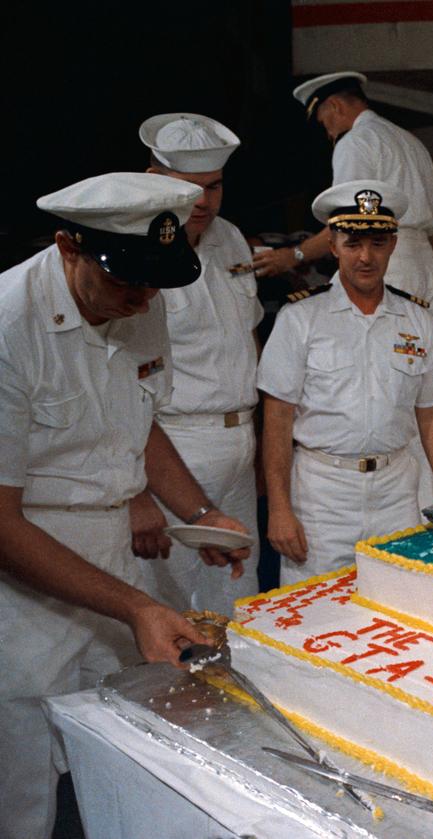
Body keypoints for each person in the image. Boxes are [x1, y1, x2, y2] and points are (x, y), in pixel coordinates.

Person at [0, 172, 251, 839]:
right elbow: (0, 523)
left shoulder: (139, 296)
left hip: (111, 560)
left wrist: (200, 515)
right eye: (125, 281)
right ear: (68, 247)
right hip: (24, 580)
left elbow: (137, 421)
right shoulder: (8, 326)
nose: (142, 301)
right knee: (21, 784)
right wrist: (138, 606)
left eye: (153, 283)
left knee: (119, 754)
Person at [258, 181, 433, 587]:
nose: (365, 257)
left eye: (377, 243)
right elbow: (277, 420)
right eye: (353, 243)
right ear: (333, 246)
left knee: (397, 602)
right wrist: (279, 508)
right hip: (322, 495)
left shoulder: (417, 320)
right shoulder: (301, 318)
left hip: (397, 492)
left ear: (393, 245)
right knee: (315, 606)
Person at [134, 113, 263, 615]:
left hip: (238, 441)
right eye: (190, 188)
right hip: (173, 444)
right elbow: (118, 380)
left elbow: (246, 335)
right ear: (153, 180)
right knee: (168, 600)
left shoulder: (230, 238)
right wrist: (134, 491)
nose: (204, 202)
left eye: (214, 186)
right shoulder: (137, 252)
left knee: (236, 594)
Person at [254, 72, 433, 317]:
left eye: (324, 122)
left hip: (384, 265)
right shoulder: (412, 141)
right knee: (418, 342)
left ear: (335, 106)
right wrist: (410, 247)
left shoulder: (355, 142)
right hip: (427, 267)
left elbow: (349, 222)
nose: (328, 133)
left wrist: (294, 255)